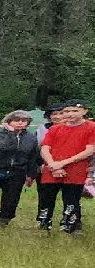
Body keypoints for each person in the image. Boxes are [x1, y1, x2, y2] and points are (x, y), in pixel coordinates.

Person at [36, 100, 95, 234]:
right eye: (67, 111)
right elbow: (44, 148)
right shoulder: (55, 128)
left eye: (74, 111)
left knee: (71, 199)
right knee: (46, 198)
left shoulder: (91, 127)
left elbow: (90, 150)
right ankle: (43, 225)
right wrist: (53, 165)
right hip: (52, 170)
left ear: (84, 112)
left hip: (76, 169)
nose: (70, 114)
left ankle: (71, 226)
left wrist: (62, 163)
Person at [0, 110, 39, 227]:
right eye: (16, 120)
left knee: (11, 200)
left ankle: (3, 222)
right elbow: (1, 147)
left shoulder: (31, 138)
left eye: (23, 121)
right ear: (9, 122)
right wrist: (11, 134)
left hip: (17, 172)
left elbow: (32, 157)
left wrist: (31, 175)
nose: (20, 123)